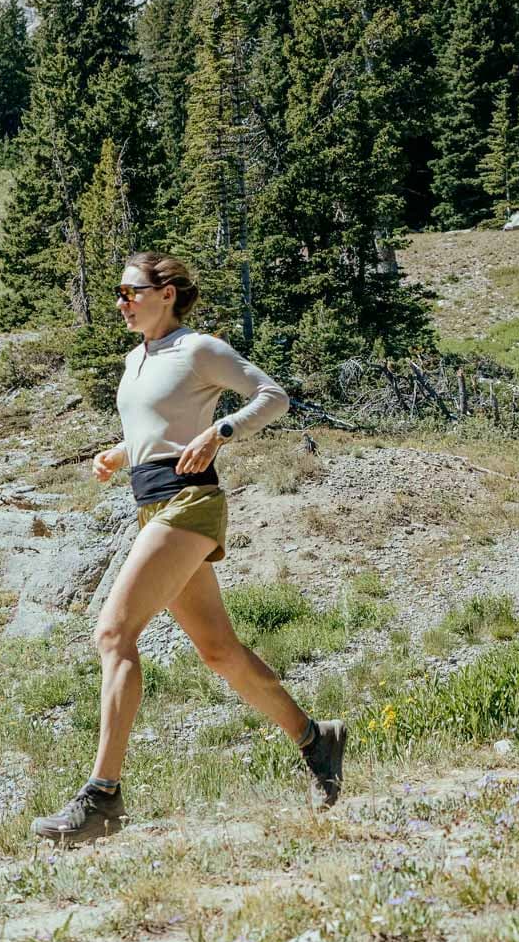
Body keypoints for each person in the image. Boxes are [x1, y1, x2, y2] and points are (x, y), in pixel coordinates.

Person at [31, 252, 347, 844]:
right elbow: (153, 428)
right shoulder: (136, 358)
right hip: (152, 502)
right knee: (220, 652)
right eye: (119, 293)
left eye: (131, 292)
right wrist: (119, 455)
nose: (121, 302)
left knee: (113, 634)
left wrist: (220, 430)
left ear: (167, 292)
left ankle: (102, 797)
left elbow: (272, 396)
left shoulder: (198, 348)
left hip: (189, 502)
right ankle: (315, 739)